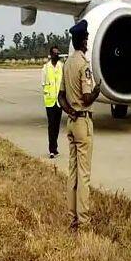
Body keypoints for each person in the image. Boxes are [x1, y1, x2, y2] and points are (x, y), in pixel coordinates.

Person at [58, 20, 101, 230]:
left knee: (72, 171)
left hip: (71, 121)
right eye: (86, 39)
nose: (87, 42)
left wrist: (69, 111)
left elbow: (60, 97)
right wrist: (97, 91)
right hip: (83, 121)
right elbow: (86, 98)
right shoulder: (83, 65)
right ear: (83, 40)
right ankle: (83, 218)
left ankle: (71, 215)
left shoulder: (67, 64)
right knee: (84, 173)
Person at [42, 45, 64, 158]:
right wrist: (47, 95)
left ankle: (55, 147)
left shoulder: (61, 67)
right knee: (51, 125)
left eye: (58, 53)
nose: (57, 55)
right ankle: (51, 149)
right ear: (51, 55)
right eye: (55, 53)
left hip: (59, 102)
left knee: (57, 125)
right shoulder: (45, 68)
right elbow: (43, 84)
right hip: (50, 102)